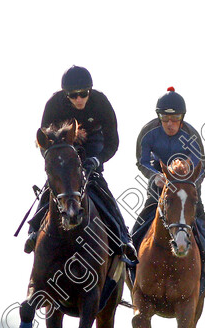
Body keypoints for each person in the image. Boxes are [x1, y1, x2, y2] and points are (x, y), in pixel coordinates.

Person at [24, 65, 137, 263]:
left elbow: (112, 142)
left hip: (92, 146)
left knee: (99, 186)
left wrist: (98, 159)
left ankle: (123, 237)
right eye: (73, 95)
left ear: (90, 91)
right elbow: (43, 141)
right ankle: (34, 231)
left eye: (83, 94)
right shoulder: (53, 105)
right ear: (65, 95)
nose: (79, 99)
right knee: (53, 187)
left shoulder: (101, 102)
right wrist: (55, 163)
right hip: (61, 149)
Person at [131, 86, 205, 278]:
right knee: (137, 227)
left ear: (182, 118)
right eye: (164, 118)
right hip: (159, 186)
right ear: (159, 117)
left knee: (203, 224)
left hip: (186, 187)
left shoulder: (191, 135)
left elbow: (201, 167)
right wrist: (154, 176)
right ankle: (131, 259)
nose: (170, 124)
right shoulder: (148, 132)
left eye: (175, 119)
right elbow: (142, 161)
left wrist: (188, 186)